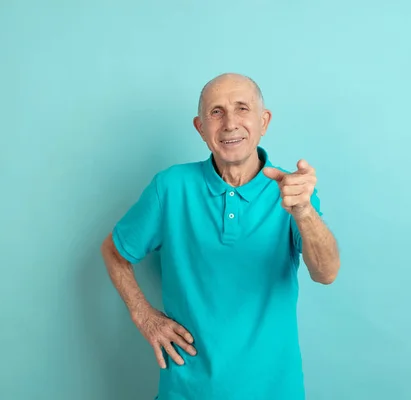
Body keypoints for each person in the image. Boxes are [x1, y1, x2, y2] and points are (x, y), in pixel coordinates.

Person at [100, 73, 341, 400]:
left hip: (275, 391)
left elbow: (326, 273)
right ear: (200, 128)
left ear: (263, 121)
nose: (230, 123)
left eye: (242, 109)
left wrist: (304, 213)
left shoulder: (293, 191)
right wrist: (142, 314)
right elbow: (114, 251)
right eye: (216, 112)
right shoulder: (170, 187)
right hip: (185, 392)